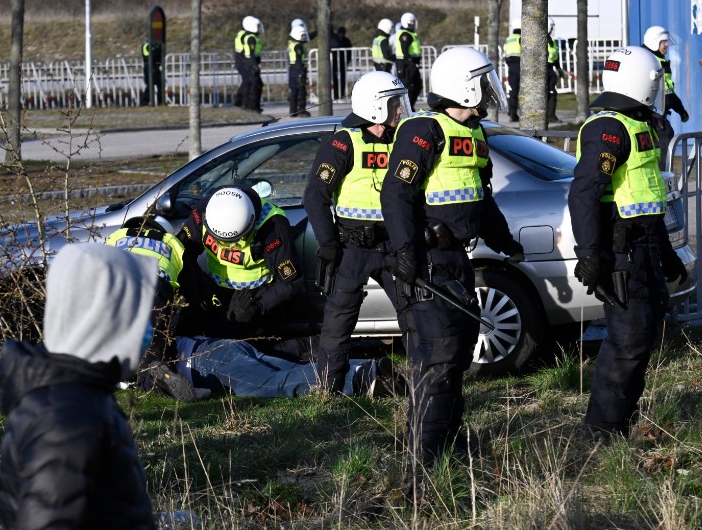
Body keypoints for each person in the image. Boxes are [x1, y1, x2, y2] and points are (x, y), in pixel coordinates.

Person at [380, 47, 524, 467]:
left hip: (458, 263)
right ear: (463, 88)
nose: (488, 93)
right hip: (426, 263)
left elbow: (482, 199)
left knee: (457, 356)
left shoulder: (475, 134)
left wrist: (504, 241)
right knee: (438, 357)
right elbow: (397, 194)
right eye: (483, 83)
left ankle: (448, 446)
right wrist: (406, 252)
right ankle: (421, 460)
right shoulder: (424, 129)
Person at [568, 46, 688, 444]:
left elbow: (648, 201)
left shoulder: (638, 125)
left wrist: (668, 256)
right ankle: (601, 431)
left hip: (646, 248)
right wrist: (589, 254)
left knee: (643, 337)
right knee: (627, 342)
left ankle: (622, 422)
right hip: (623, 254)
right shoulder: (609, 129)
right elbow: (584, 193)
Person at [0, 243, 157, 529]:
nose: (147, 325)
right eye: (137, 313)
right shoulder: (68, 416)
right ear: (104, 317)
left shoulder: (79, 394)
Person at [303, 71, 413, 394]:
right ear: (376, 108)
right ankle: (329, 392)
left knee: (415, 315)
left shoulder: (401, 140)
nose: (400, 111)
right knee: (338, 323)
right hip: (352, 248)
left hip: (393, 246)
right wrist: (328, 244)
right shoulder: (343, 142)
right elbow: (315, 196)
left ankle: (424, 383)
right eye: (394, 105)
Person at [176, 184, 305, 340]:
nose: (230, 247)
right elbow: (183, 255)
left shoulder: (272, 226)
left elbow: (292, 283)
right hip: (214, 292)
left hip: (254, 295)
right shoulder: (206, 210)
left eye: (236, 240)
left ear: (251, 224)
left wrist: (258, 307)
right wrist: (196, 291)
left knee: (253, 346)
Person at [105, 214, 197, 402]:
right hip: (154, 291)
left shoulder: (116, 237)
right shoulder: (172, 243)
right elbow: (193, 290)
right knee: (152, 352)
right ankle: (155, 374)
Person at [174, 336, 405, 399]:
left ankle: (362, 378)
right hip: (212, 347)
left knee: (277, 384)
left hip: (207, 362)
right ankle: (369, 367)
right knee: (290, 372)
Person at [643, 25, 690, 168]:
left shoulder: (660, 61)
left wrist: (680, 110)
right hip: (647, 117)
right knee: (663, 137)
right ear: (654, 42)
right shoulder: (647, 61)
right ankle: (661, 176)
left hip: (659, 116)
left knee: (666, 137)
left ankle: (661, 174)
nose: (667, 45)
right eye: (663, 42)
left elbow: (668, 92)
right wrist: (653, 115)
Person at [234, 15, 264, 113]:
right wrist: (254, 65)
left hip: (247, 62)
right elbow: (249, 53)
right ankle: (247, 104)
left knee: (250, 83)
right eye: (258, 26)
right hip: (246, 62)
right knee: (251, 83)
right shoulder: (250, 38)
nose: (260, 28)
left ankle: (244, 103)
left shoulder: (245, 34)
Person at [393, 12, 422, 109]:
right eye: (411, 23)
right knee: (408, 86)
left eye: (413, 22)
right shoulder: (405, 34)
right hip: (406, 64)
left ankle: (410, 106)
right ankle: (407, 108)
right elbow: (404, 49)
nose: (413, 24)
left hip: (411, 64)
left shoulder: (411, 33)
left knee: (417, 85)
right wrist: (410, 61)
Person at [288, 24, 311, 117]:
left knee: (294, 91)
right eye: (303, 35)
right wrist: (301, 72)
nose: (304, 37)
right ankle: (301, 110)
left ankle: (293, 111)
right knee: (301, 90)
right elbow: (298, 59)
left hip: (293, 69)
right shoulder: (298, 46)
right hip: (298, 69)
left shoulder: (292, 44)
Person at [546, 20, 564, 123]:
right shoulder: (544, 40)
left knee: (551, 93)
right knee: (550, 93)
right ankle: (550, 116)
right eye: (552, 28)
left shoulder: (552, 42)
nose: (553, 30)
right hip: (545, 70)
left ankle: (551, 115)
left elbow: (555, 57)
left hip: (550, 69)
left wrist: (558, 68)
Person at [504, 28, 522, 122]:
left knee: (513, 92)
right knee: (524, 90)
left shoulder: (509, 39)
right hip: (519, 63)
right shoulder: (520, 38)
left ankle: (512, 114)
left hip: (511, 65)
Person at [331, 26, 353, 100]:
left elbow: (349, 52)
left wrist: (347, 61)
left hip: (343, 62)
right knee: (335, 79)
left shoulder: (346, 41)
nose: (341, 34)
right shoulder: (334, 39)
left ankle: (342, 93)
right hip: (334, 62)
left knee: (342, 78)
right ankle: (336, 94)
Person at [141, 39, 163, 106]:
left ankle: (160, 101)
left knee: (160, 84)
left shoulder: (155, 45)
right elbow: (148, 56)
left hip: (155, 66)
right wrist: (156, 50)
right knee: (150, 85)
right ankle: (145, 101)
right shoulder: (146, 45)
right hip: (149, 67)